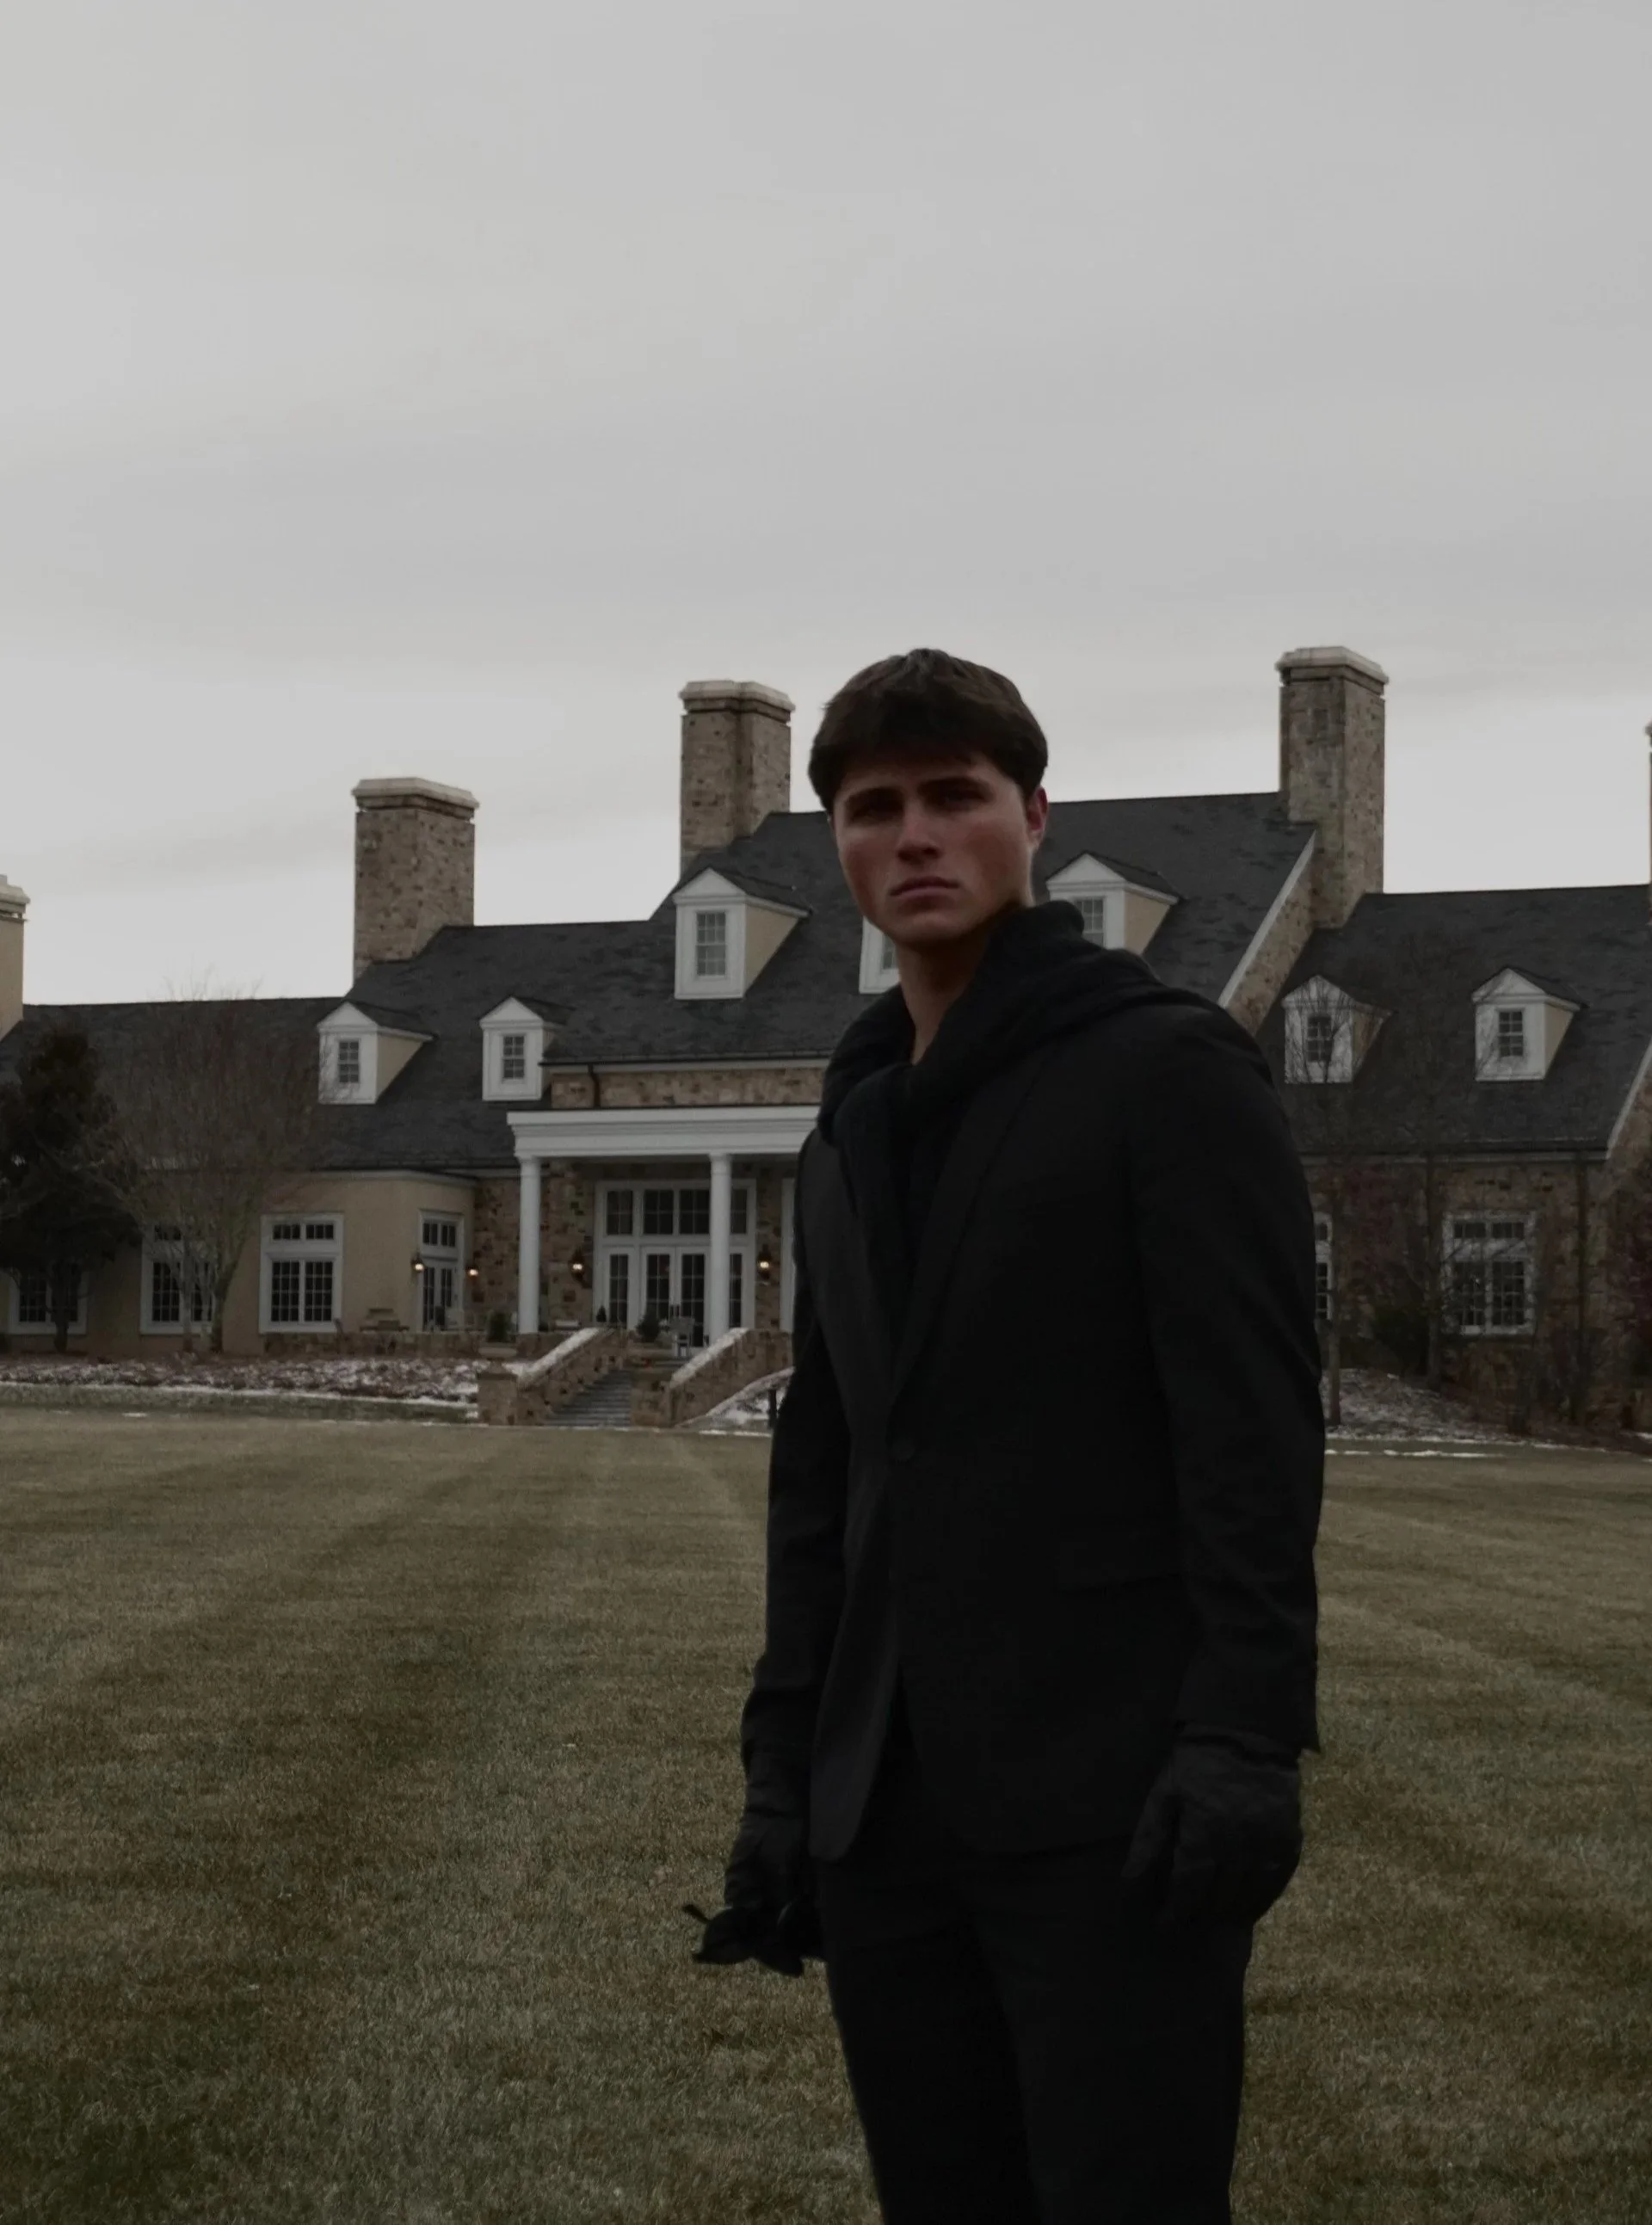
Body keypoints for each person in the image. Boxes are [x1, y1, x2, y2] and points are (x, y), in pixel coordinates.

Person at [687, 648, 1324, 2224]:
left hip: (1112, 1804)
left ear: (1033, 817)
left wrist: (1243, 1735)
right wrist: (786, 1777)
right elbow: (825, 1476)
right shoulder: (851, 1119)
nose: (913, 836)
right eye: (872, 806)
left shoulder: (1165, 1071)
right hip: (885, 1814)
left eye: (953, 797)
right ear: (835, 840)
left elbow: (1251, 1435)